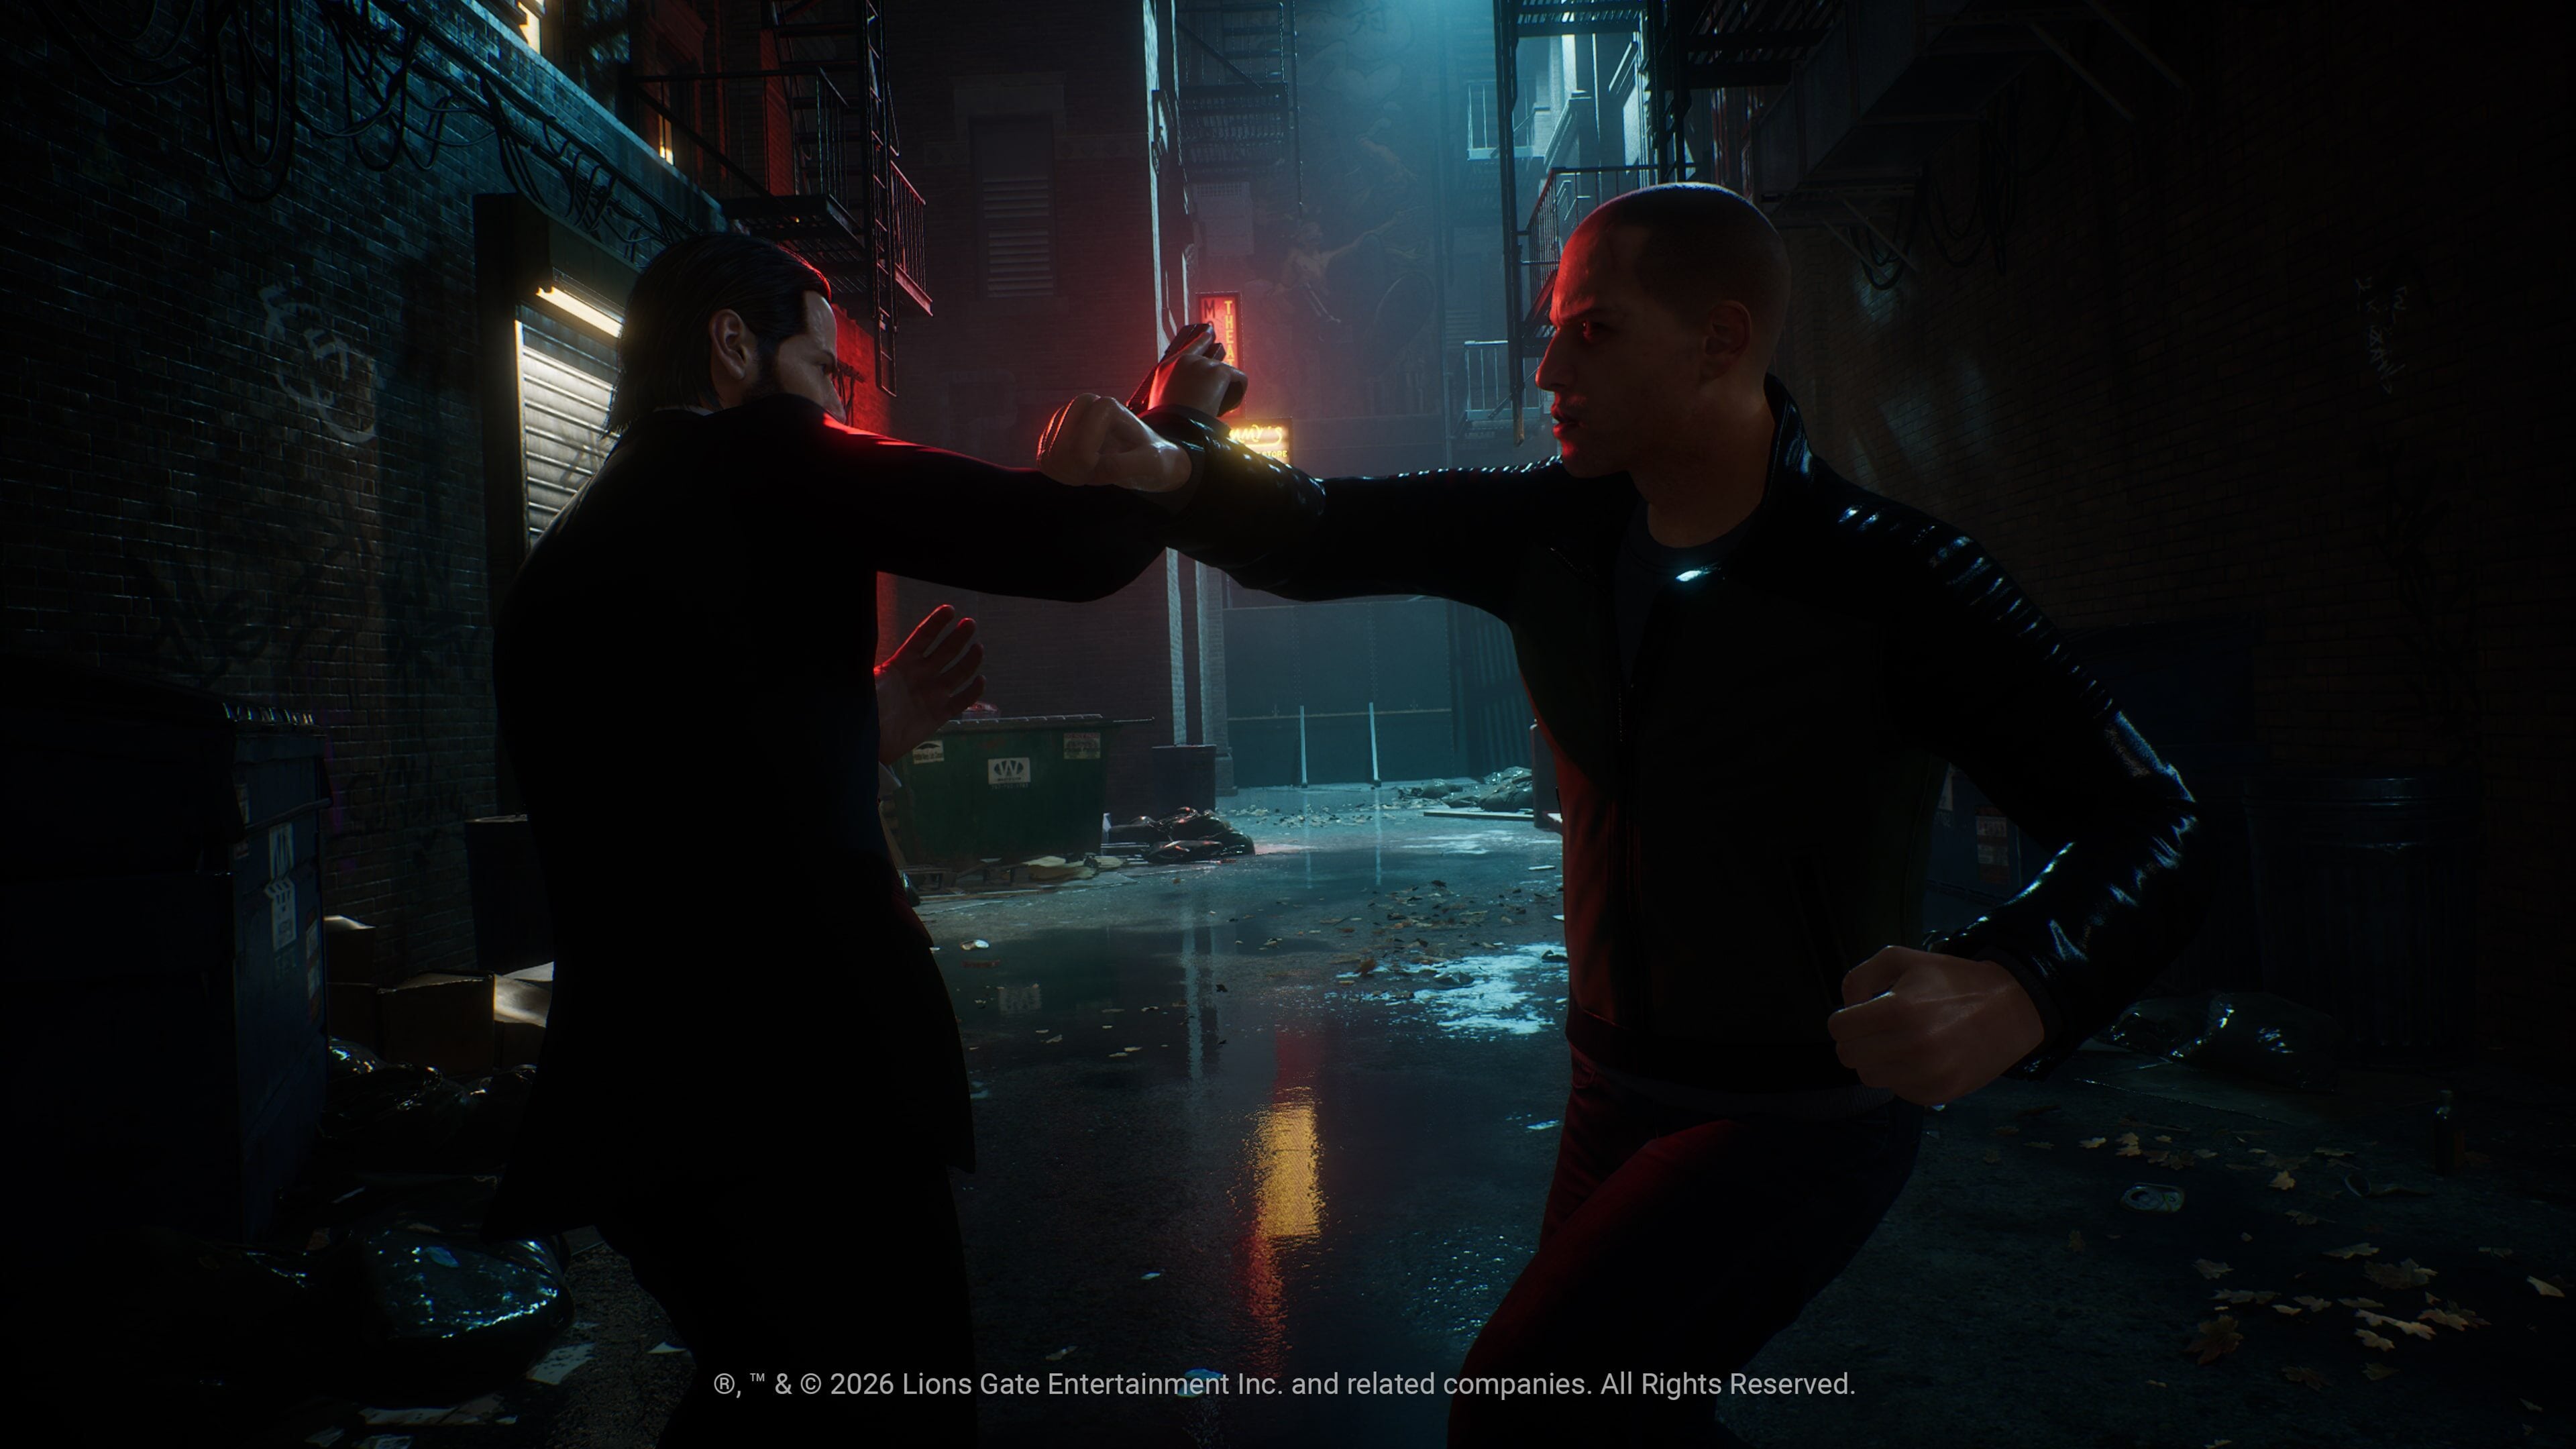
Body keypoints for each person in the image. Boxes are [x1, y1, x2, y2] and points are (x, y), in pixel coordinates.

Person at [1039, 182, 2212, 1447]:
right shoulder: (1553, 533)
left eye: (1593, 330)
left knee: (1526, 1415)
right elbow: (1328, 528)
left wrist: (2027, 977)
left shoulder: (1894, 576)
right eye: (1553, 328)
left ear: (1719, 340)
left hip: (1798, 1117)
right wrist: (1172, 462)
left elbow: (2156, 816)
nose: (1549, 368)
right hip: (1612, 1087)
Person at [480, 231, 1237, 1446]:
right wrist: (1179, 423)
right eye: (823, 374)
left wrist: (856, 731)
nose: (835, 407)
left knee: (767, 1391)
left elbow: (681, 793)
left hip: (641, 1105)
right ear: (733, 344)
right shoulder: (762, 458)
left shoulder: (571, 552)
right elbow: (1069, 546)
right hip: (801, 1085)